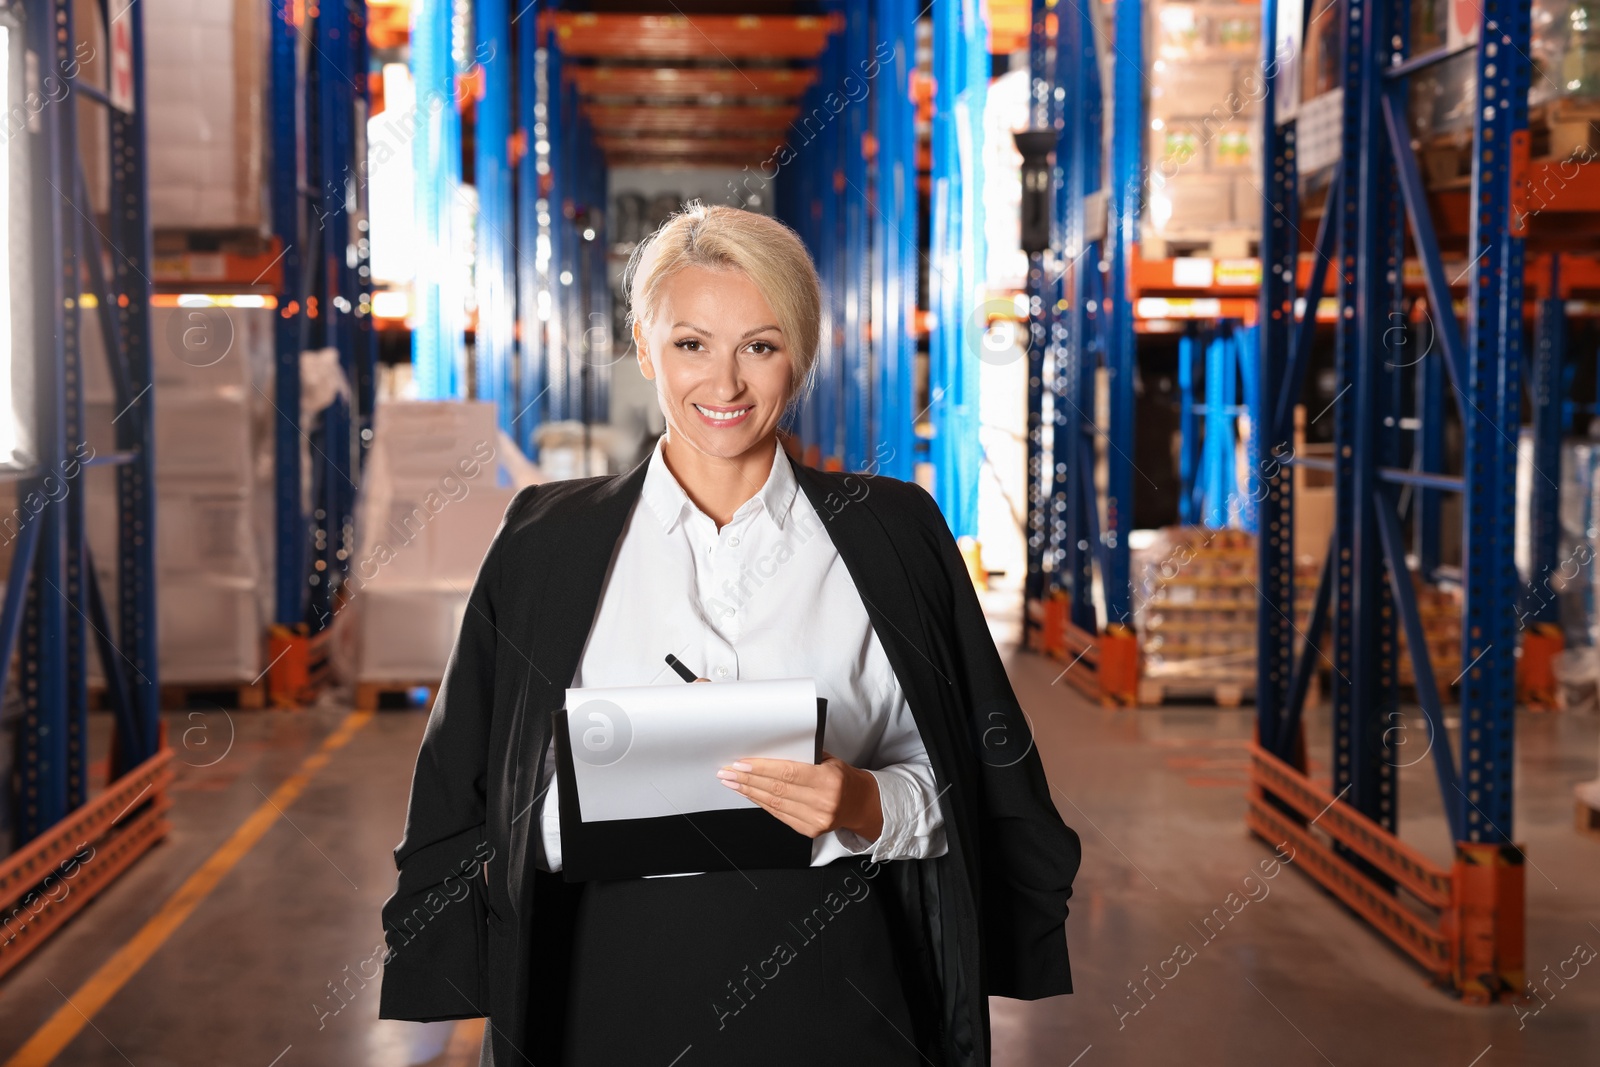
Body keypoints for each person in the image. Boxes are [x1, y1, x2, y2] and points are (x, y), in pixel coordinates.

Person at [378, 203, 1082, 1067]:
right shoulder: (544, 543)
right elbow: (466, 792)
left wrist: (860, 801)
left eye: (760, 344)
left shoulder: (892, 536)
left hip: (841, 991)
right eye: (690, 344)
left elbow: (972, 785)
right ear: (645, 350)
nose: (726, 383)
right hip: (604, 997)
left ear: (801, 355)